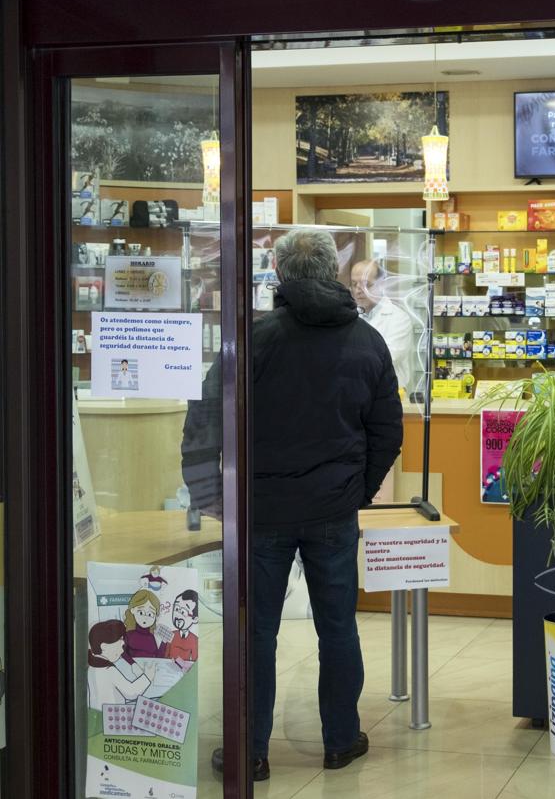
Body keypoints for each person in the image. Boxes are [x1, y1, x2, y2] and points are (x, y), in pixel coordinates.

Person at [183, 229, 403, 782]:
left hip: (261, 512)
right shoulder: (366, 341)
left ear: (278, 273)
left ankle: (251, 752)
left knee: (255, 631)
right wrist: (357, 491)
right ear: (333, 272)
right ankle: (340, 740)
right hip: (333, 512)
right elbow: (387, 433)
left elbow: (204, 420)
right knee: (338, 627)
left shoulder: (253, 339)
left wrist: (211, 495)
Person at [350, 258, 415, 397]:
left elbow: (386, 358)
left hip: (388, 396)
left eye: (366, 284)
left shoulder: (398, 318)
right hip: (354, 395)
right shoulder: (348, 316)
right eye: (354, 284)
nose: (358, 290)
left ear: (381, 285)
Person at [87, 620, 156, 709]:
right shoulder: (108, 670)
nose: (122, 644)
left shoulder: (92, 666)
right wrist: (147, 677)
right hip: (113, 714)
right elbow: (131, 693)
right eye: (119, 640)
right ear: (104, 646)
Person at [165, 589, 200, 662]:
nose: (178, 615)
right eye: (176, 609)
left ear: (195, 619)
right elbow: (164, 658)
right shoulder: (170, 635)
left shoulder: (195, 640)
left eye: (183, 612)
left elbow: (195, 663)